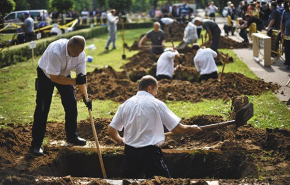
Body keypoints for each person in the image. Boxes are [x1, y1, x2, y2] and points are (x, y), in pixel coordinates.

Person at [108, 75, 202, 178]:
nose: (156, 94)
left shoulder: (125, 105)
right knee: (164, 182)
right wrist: (190, 128)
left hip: (130, 153)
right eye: (156, 90)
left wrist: (120, 140)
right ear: (149, 88)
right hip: (150, 154)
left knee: (128, 181)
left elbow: (111, 129)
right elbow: (175, 128)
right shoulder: (157, 104)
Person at [30, 36, 91, 156]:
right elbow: (55, 78)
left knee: (71, 104)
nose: (76, 55)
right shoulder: (55, 51)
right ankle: (36, 145)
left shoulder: (80, 55)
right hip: (46, 75)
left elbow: (81, 78)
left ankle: (72, 136)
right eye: (74, 52)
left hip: (64, 75)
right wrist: (75, 81)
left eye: (79, 53)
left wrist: (86, 97)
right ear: (69, 46)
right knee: (42, 109)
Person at [281, 2, 290, 70]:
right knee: (287, 50)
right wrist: (282, 32)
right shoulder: (285, 12)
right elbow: (282, 23)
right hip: (287, 35)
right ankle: (287, 63)